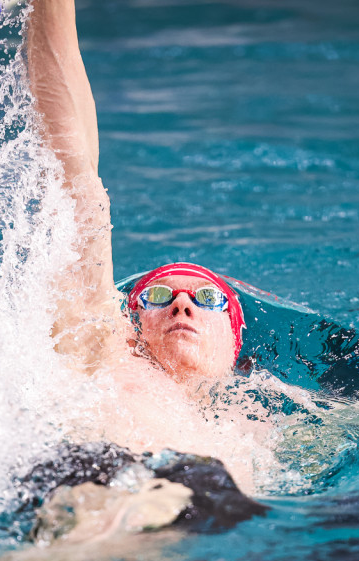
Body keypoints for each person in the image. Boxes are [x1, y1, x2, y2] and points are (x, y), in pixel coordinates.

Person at [25, 0, 277, 493]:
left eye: (207, 299)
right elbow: (75, 178)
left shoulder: (259, 425)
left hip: (206, 519)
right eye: (157, 297)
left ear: (235, 340)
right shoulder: (107, 356)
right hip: (103, 486)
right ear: (131, 324)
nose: (182, 302)